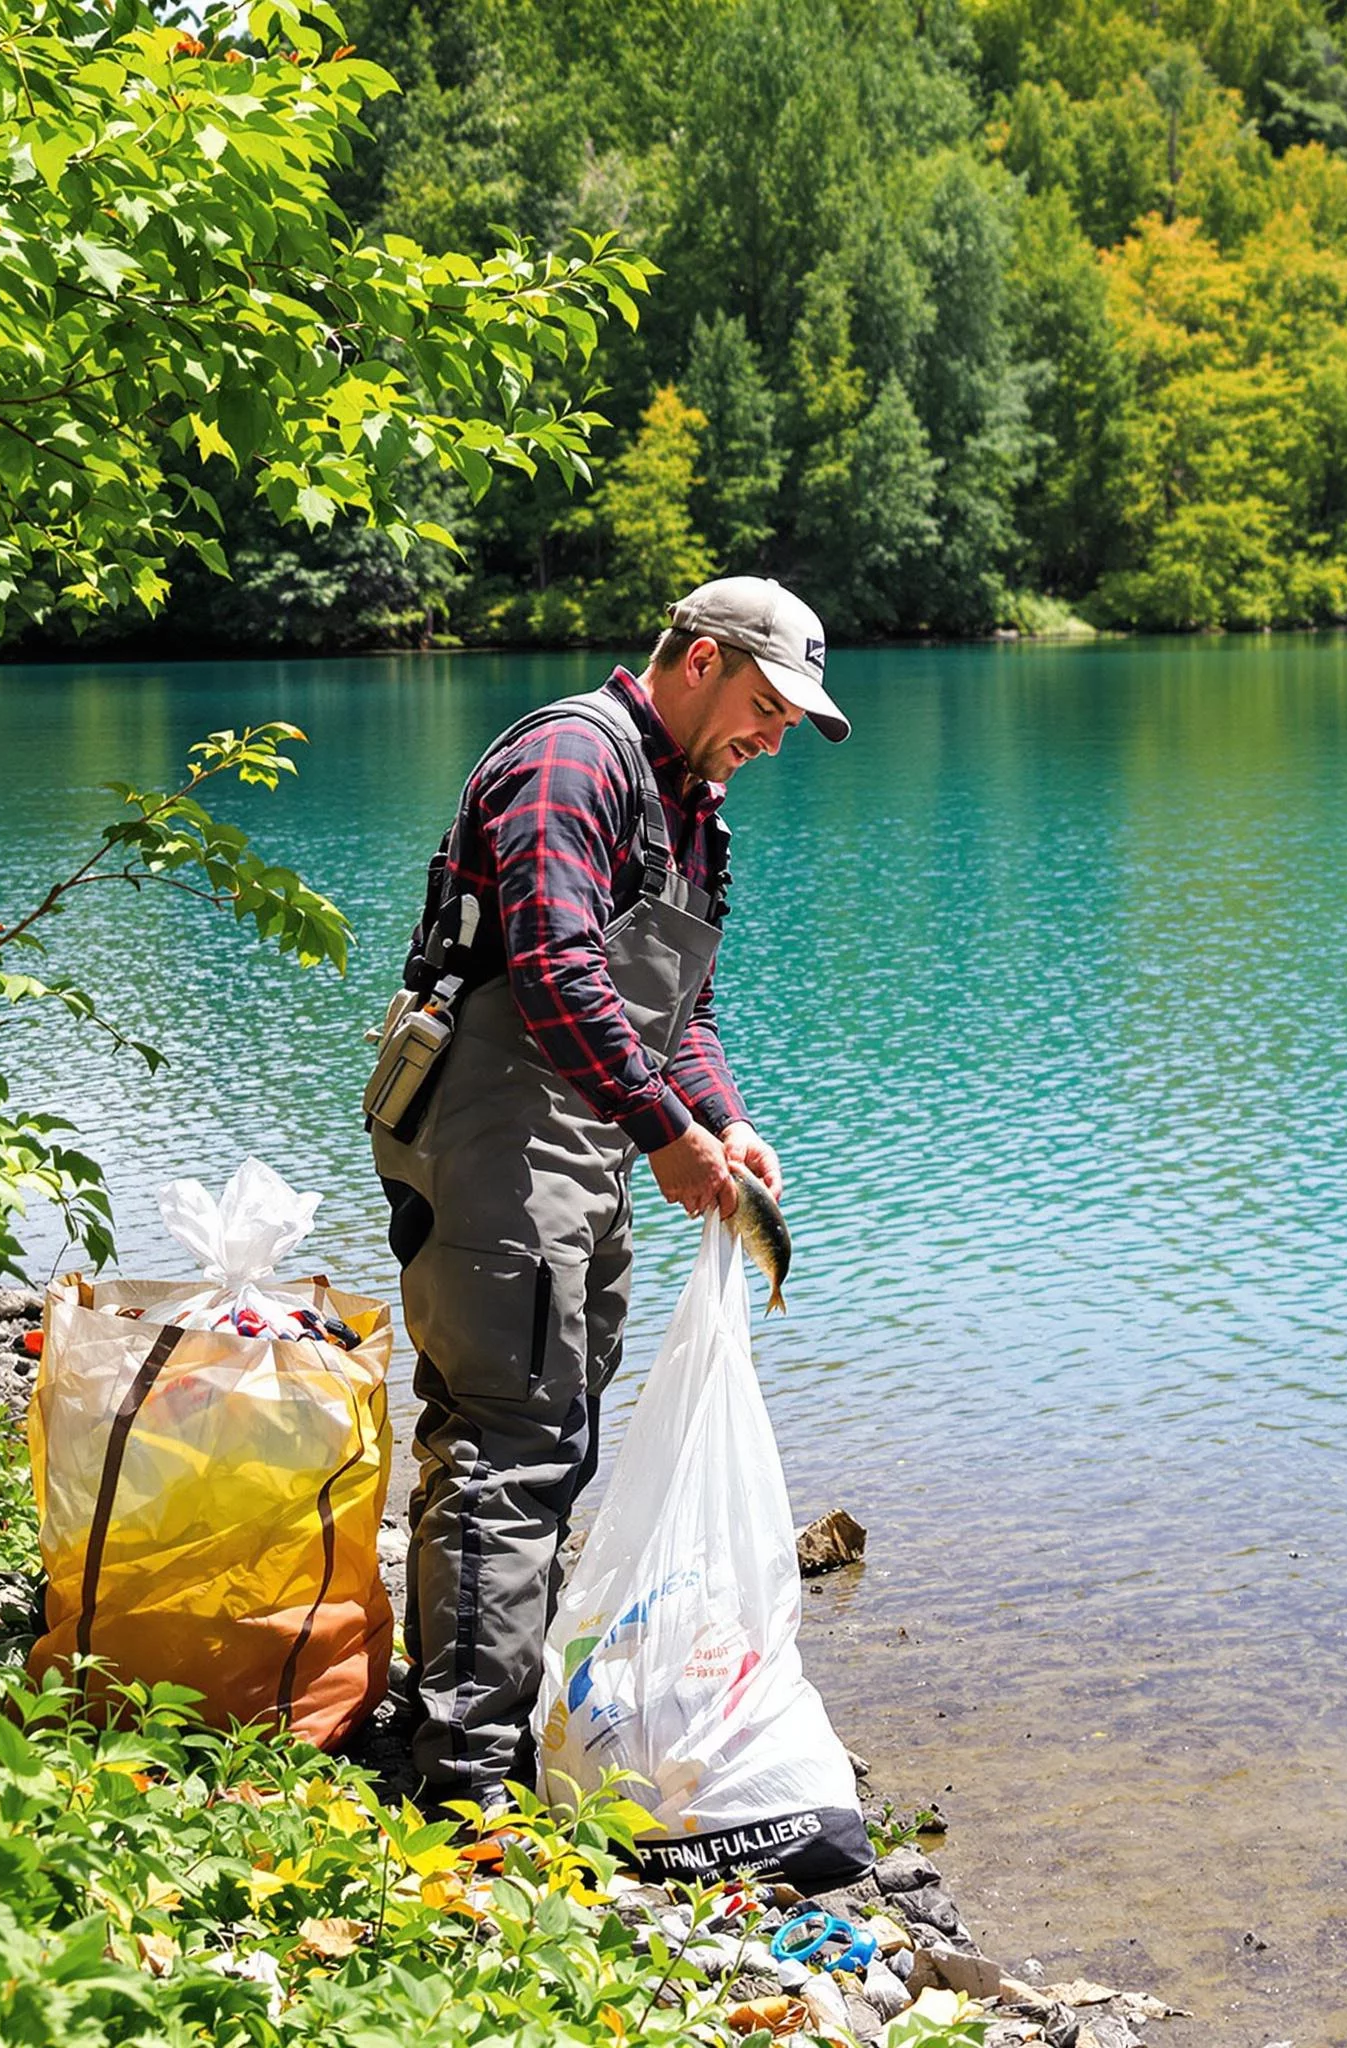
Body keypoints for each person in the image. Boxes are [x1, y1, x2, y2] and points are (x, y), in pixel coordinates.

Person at [369, 575, 847, 1811]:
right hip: (495, 1134)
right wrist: (665, 1131)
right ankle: (462, 1786)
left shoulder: (697, 810)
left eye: (791, 717)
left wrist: (722, 1119)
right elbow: (551, 965)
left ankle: (476, 1710)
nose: (773, 733)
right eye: (763, 702)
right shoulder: (574, 757)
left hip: (588, 1143)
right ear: (695, 658)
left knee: (557, 1426)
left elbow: (679, 1013)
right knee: (506, 1438)